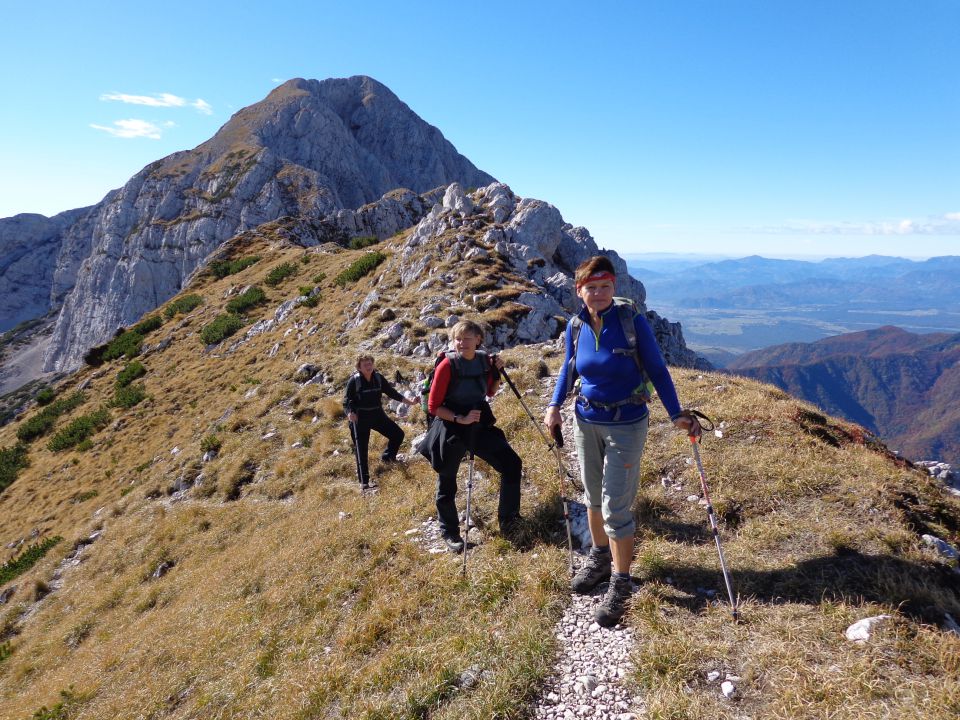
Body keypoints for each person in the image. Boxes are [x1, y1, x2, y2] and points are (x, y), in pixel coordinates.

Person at [544, 256, 702, 627]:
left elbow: (659, 368)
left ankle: (621, 580)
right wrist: (554, 406)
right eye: (591, 287)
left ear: (614, 289)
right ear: (579, 291)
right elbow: (569, 369)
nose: (598, 294)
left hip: (626, 423)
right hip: (585, 420)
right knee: (592, 497)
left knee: (616, 507)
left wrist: (676, 411)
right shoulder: (576, 326)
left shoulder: (632, 322)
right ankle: (600, 557)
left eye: (605, 287)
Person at [427, 320, 522, 553]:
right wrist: (460, 419)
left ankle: (509, 521)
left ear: (478, 339)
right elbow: (433, 406)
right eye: (457, 339)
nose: (461, 343)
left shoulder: (484, 361)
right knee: (447, 479)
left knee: (512, 464)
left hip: (478, 422)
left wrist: (496, 372)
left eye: (467, 338)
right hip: (451, 424)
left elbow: (490, 391)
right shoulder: (447, 366)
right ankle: (450, 532)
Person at [343, 354, 417, 489]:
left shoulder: (378, 378)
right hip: (360, 419)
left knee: (398, 434)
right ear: (359, 367)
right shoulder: (354, 381)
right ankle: (364, 483)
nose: (369, 366)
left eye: (370, 363)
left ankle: (388, 458)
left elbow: (391, 392)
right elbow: (347, 401)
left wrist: (410, 402)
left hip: (377, 415)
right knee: (361, 450)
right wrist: (349, 413)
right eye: (365, 364)